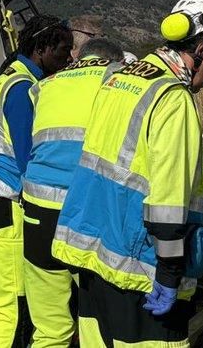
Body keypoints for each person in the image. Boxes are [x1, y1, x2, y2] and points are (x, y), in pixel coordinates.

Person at [52, 0, 203, 348]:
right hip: (140, 268)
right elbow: (168, 201)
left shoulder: (120, 78)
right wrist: (171, 274)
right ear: (202, 47)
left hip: (93, 253)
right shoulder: (173, 99)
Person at [0, 15, 74, 348]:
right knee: (10, 302)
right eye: (61, 51)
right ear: (41, 48)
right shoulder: (24, 87)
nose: (67, 59)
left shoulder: (10, 75)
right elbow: (30, 157)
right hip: (4, 198)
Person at [20, 36, 129, 348]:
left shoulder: (45, 85)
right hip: (85, 210)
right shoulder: (117, 81)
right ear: (115, 61)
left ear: (80, 57)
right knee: (94, 318)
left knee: (50, 326)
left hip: (38, 208)